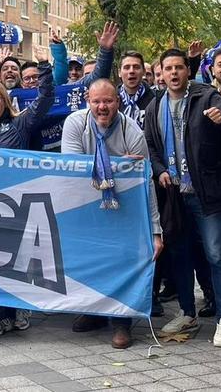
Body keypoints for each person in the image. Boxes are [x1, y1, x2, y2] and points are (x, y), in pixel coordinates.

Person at [143, 49, 221, 346]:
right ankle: (187, 311)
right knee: (180, 255)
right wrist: (159, 170)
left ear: (188, 70)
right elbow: (150, 145)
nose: (173, 73)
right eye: (168, 68)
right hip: (173, 195)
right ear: (161, 72)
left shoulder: (205, 96)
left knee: (215, 254)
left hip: (206, 193)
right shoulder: (154, 105)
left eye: (179, 68)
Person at [61, 79, 163, 348]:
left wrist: (155, 230)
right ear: (88, 101)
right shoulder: (74, 124)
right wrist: (120, 167)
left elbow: (145, 182)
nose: (102, 107)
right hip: (85, 206)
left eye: (108, 101)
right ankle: (95, 312)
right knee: (90, 260)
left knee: (121, 260)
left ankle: (121, 322)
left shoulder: (133, 133)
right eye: (96, 102)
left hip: (123, 208)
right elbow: (72, 170)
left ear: (117, 101)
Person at [0, 66, 56, 337]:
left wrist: (45, 71)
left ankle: (19, 311)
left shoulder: (20, 124)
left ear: (5, 102)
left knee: (16, 262)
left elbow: (45, 100)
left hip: (15, 204)